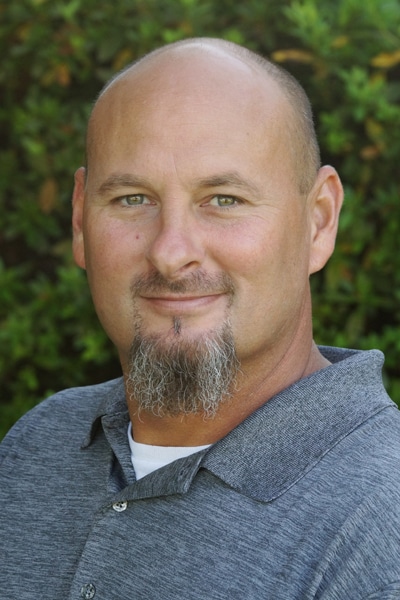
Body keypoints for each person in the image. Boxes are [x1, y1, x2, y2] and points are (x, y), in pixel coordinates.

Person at [1, 38, 400, 600]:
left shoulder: (382, 526)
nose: (170, 251)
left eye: (224, 199)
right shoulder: (38, 445)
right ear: (79, 219)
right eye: (133, 199)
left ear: (319, 221)